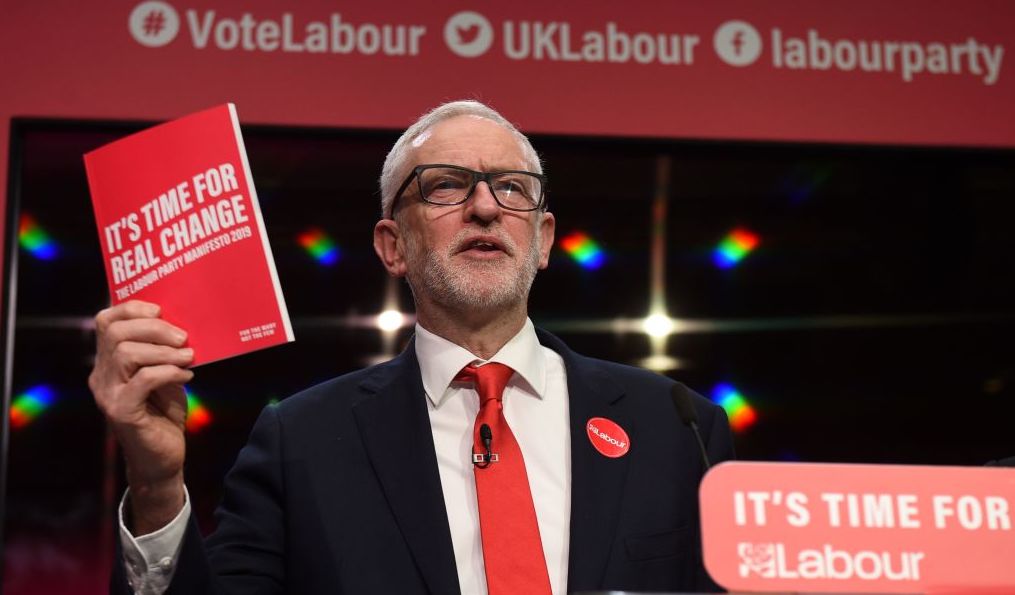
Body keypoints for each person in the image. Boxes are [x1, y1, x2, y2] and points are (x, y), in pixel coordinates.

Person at [90, 100, 734, 595]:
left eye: (513, 188)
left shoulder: (677, 426)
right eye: (446, 185)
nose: (486, 206)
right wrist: (156, 483)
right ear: (392, 245)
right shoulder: (301, 443)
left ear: (542, 240)